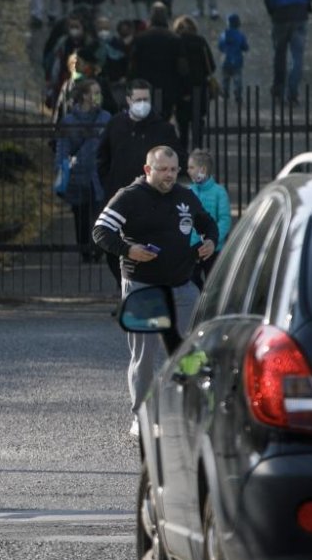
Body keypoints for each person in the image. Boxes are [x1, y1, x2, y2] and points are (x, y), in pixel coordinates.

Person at [92, 145, 217, 438]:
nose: (169, 175)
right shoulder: (129, 196)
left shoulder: (185, 196)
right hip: (143, 287)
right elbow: (100, 231)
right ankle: (142, 417)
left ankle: (194, 412)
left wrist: (210, 240)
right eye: (162, 170)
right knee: (145, 357)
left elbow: (207, 223)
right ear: (148, 170)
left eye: (173, 170)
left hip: (182, 286)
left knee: (191, 352)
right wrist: (128, 250)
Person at [95, 80, 180, 283]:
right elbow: (102, 158)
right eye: (138, 99)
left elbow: (177, 158)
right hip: (118, 195)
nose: (142, 104)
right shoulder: (115, 124)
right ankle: (123, 287)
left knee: (148, 246)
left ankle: (143, 288)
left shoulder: (162, 128)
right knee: (115, 245)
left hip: (152, 199)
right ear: (128, 100)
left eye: (146, 99)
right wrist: (110, 182)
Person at [55, 80, 110, 261]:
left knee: (100, 214)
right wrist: (61, 170)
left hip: (99, 175)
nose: (99, 96)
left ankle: (98, 248)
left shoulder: (105, 118)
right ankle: (85, 249)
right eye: (95, 92)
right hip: (78, 175)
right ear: (85, 96)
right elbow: (63, 149)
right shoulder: (69, 121)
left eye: (99, 92)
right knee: (81, 216)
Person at [264, 0, 312, 105]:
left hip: (281, 16)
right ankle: (293, 92)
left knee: (280, 54)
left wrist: (272, 11)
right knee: (297, 55)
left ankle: (278, 88)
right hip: (300, 15)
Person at [127, 2, 185, 125]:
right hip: (168, 84)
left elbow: (132, 63)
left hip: (145, 83)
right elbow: (181, 66)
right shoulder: (175, 39)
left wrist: (131, 80)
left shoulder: (140, 38)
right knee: (164, 117)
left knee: (146, 117)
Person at [172, 14, 217, 153]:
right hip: (199, 88)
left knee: (183, 126)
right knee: (198, 122)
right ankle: (197, 152)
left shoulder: (176, 42)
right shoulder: (200, 41)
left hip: (181, 89)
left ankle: (183, 155)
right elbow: (211, 66)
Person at [185, 149, 230, 287]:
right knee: (192, 283)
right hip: (192, 248)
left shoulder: (219, 192)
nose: (188, 171)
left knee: (214, 285)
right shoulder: (188, 191)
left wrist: (213, 240)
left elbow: (225, 220)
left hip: (214, 249)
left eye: (191, 167)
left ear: (203, 169)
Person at [217, 13, 249, 101]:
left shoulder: (223, 34)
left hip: (225, 60)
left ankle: (225, 93)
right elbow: (245, 47)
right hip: (237, 60)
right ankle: (238, 94)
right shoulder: (240, 35)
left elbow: (220, 46)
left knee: (225, 79)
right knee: (237, 79)